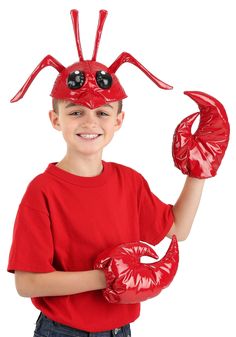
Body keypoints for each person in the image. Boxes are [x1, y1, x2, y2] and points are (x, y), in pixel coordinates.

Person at [7, 8, 229, 337]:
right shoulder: (42, 191)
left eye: (102, 112)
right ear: (56, 120)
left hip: (120, 331)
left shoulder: (130, 183)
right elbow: (27, 283)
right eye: (76, 111)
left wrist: (199, 171)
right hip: (62, 332)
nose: (89, 122)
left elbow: (177, 230)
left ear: (118, 121)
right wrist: (106, 276)